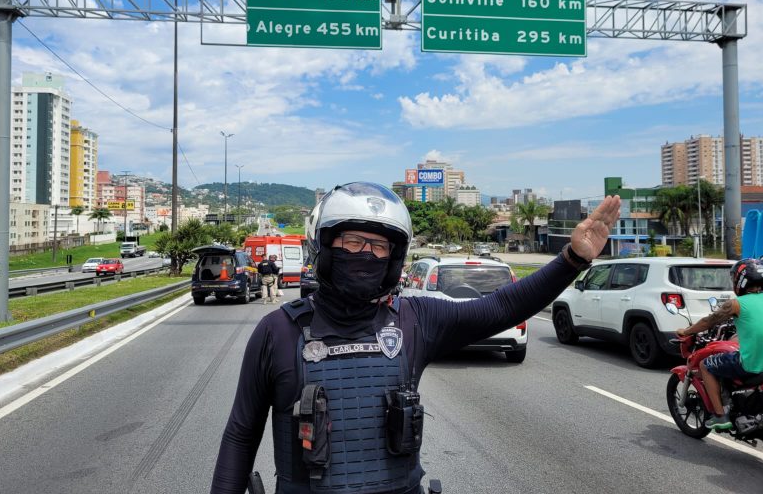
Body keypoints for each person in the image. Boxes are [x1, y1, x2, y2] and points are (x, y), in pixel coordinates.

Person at [211, 182, 621, 494]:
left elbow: (500, 308)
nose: (367, 253)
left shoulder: (414, 320)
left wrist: (572, 259)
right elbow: (241, 435)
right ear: (325, 246)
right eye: (353, 241)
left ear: (393, 259)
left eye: (379, 246)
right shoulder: (277, 331)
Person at [676, 257, 763, 430]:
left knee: (706, 365)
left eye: (733, 279)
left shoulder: (735, 304)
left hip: (752, 365)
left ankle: (720, 416)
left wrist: (686, 332)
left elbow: (708, 322)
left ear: (741, 280)